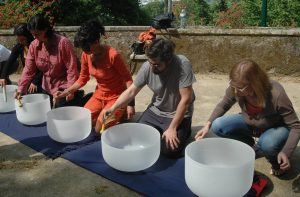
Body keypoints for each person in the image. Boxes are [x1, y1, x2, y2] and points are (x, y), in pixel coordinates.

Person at [195, 59, 300, 176]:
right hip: (250, 122)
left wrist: (286, 152)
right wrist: (208, 123)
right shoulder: (236, 87)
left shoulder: (277, 94)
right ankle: (251, 146)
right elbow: (224, 104)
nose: (235, 91)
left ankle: (277, 163)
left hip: (275, 128)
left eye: (240, 88)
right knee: (218, 125)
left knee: (268, 143)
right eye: (232, 85)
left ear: (254, 84)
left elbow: (296, 127)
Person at [104, 38, 196, 158]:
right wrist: (113, 108)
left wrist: (172, 128)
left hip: (178, 114)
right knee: (137, 139)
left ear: (168, 60)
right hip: (156, 111)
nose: (153, 67)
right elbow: (131, 91)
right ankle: (164, 131)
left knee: (169, 150)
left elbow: (186, 99)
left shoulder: (182, 64)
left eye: (157, 64)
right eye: (150, 62)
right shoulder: (148, 66)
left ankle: (184, 129)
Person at [55, 19, 135, 133]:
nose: (85, 51)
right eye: (83, 48)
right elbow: (82, 79)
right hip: (99, 95)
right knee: (82, 121)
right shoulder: (85, 55)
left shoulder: (113, 55)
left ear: (97, 41)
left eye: (87, 47)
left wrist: (130, 104)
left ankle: (119, 112)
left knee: (99, 128)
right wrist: (65, 92)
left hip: (116, 97)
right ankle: (110, 113)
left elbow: (128, 80)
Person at [16, 14, 81, 107]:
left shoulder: (63, 43)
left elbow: (72, 69)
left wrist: (70, 91)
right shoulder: (34, 45)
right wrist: (21, 89)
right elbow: (28, 69)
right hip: (46, 86)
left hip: (63, 86)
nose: (35, 38)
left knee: (60, 112)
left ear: (45, 29)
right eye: (33, 35)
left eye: (37, 34)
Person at [0, 23, 42, 93]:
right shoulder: (19, 47)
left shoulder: (37, 46)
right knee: (21, 92)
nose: (20, 42)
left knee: (33, 91)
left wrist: (35, 81)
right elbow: (10, 61)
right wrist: (3, 76)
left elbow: (43, 67)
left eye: (22, 40)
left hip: (40, 76)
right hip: (28, 76)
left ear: (28, 36)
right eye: (18, 39)